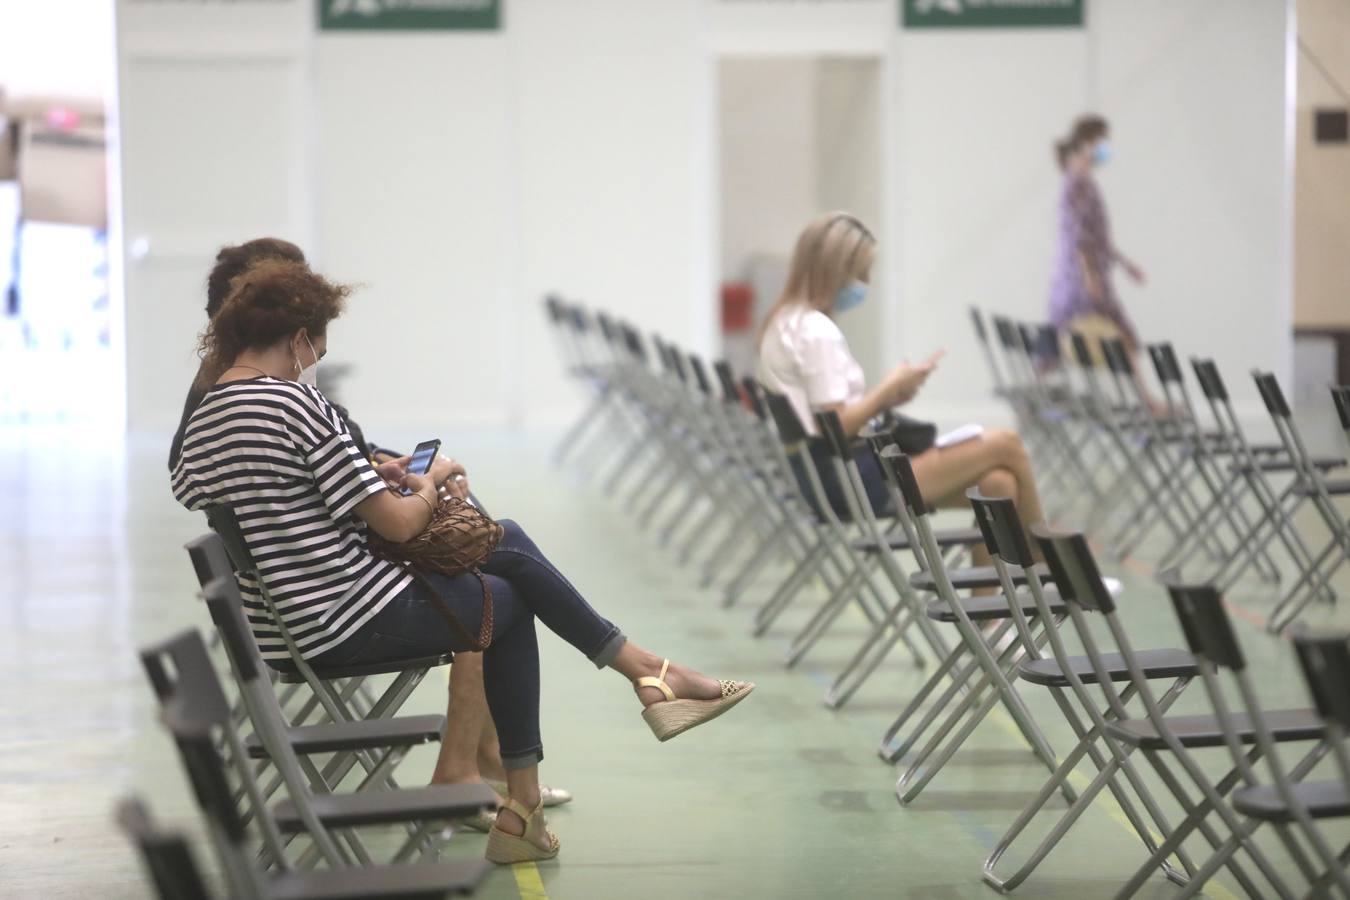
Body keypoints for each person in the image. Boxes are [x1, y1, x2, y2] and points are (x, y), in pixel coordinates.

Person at [171, 259, 753, 863]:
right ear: (296, 340)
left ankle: (636, 686)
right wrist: (430, 482)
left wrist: (367, 475)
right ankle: (622, 702)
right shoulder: (296, 403)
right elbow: (396, 522)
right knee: (510, 599)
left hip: (282, 624)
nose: (313, 360)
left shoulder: (204, 418)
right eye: (316, 347)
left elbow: (221, 492)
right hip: (347, 614)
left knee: (507, 554)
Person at [169, 239, 571, 824]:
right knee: (489, 567)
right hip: (326, 599)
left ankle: (495, 756)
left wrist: (371, 464)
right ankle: (485, 764)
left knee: (485, 548)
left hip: (286, 606)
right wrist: (409, 482)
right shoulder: (267, 397)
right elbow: (372, 508)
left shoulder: (231, 395)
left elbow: (317, 455)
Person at [757, 212, 1046, 562]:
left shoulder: (784, 322)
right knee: (1007, 443)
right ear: (833, 269)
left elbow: (824, 419)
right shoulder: (817, 332)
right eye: (859, 272)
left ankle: (989, 614)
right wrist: (888, 389)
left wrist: (891, 395)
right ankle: (1048, 563)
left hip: (819, 478)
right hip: (849, 481)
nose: (864, 282)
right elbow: (836, 425)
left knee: (999, 485)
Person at [1048, 115, 1161, 413]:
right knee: (1118, 338)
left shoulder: (1083, 182)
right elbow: (1080, 237)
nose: (1106, 150)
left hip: (1085, 275)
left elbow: (1098, 238)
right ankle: (1146, 400)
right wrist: (1089, 275)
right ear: (1087, 142)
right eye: (1102, 143)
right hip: (1082, 280)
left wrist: (1124, 264)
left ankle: (1145, 400)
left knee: (1089, 338)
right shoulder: (1077, 185)